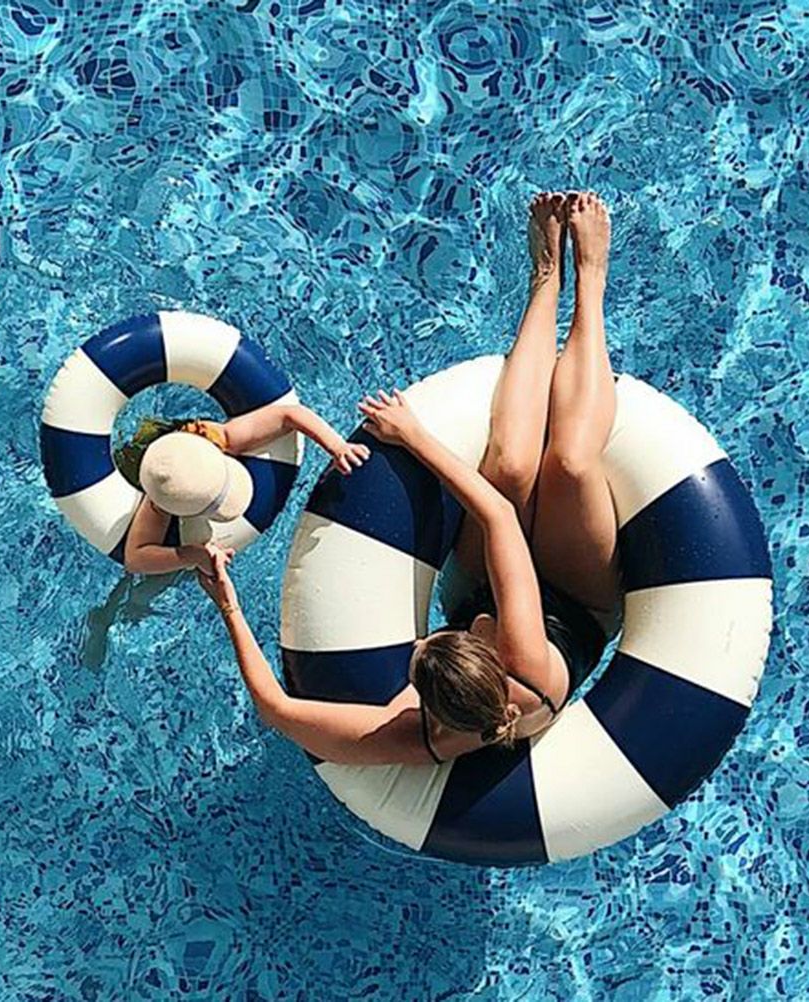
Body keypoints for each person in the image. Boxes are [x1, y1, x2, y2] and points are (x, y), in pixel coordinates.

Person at [199, 190, 623, 766]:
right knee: (568, 463)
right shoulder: (518, 662)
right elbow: (498, 515)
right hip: (577, 602)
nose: (419, 637)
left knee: (513, 468)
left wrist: (228, 603)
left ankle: (545, 280)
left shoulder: (426, 735)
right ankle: (583, 280)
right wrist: (415, 437)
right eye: (433, 639)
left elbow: (276, 709)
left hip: (484, 591)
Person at [122, 402, 370, 577]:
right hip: (141, 459)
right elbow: (135, 559)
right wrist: (194, 555)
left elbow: (289, 415)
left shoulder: (215, 437)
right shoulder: (160, 500)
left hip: (176, 446)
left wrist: (337, 446)